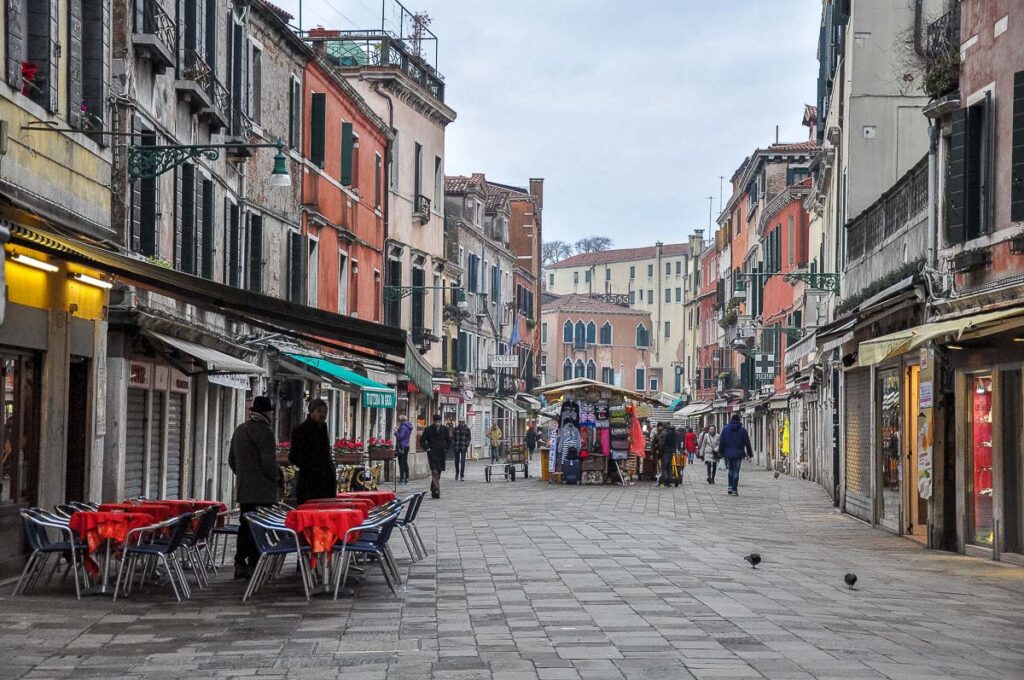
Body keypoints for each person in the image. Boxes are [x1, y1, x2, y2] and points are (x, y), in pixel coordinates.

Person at [228, 396, 282, 580]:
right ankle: (254, 564)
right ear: (267, 413)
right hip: (263, 491)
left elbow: (231, 460)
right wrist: (277, 477)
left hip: (245, 491)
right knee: (260, 528)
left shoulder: (240, 430)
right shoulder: (265, 431)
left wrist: (244, 475)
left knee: (245, 527)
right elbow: (269, 463)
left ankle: (239, 563)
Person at [288, 399, 335, 505]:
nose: (323, 414)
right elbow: (293, 456)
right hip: (309, 483)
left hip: (326, 483)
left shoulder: (323, 429)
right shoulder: (300, 431)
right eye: (319, 411)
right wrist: (312, 466)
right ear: (311, 412)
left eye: (324, 411)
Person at [719, 414, 753, 495]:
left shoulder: (725, 429)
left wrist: (721, 452)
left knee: (730, 469)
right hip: (738, 453)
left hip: (728, 453)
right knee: (736, 470)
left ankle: (730, 487)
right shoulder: (742, 430)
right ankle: (734, 489)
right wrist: (749, 453)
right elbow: (747, 442)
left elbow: (721, 442)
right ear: (739, 420)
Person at [419, 414, 451, 499]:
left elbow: (449, 440)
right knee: (434, 471)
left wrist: (446, 449)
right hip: (432, 453)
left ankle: (433, 489)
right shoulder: (428, 429)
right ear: (434, 421)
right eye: (436, 422)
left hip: (441, 453)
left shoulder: (445, 429)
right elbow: (422, 440)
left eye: (439, 422)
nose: (437, 423)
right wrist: (427, 449)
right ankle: (437, 490)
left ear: (441, 421)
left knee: (439, 472)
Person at [656, 422, 678, 487]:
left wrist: (659, 449)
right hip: (671, 451)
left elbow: (661, 444)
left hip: (665, 451)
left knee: (664, 467)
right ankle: (670, 481)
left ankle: (665, 481)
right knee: (669, 467)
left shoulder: (664, 433)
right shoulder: (673, 432)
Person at [394, 415, 413, 484]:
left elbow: (400, 438)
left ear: (401, 421)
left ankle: (402, 479)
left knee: (401, 463)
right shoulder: (408, 426)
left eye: (399, 421)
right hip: (406, 446)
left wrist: (396, 431)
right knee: (405, 462)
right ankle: (406, 478)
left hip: (401, 446)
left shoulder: (404, 427)